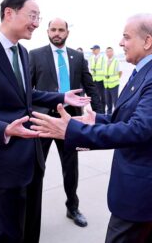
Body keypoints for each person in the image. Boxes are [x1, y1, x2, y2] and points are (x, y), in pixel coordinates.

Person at [31, 13, 152, 243]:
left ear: (147, 41)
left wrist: (71, 131)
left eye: (126, 37)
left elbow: (137, 130)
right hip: (146, 185)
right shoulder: (144, 72)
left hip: (143, 190)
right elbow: (125, 117)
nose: (121, 43)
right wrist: (95, 120)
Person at [0, 0, 90, 243]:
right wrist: (3, 129)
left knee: (30, 229)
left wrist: (61, 97)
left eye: (39, 17)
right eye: (33, 15)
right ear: (9, 13)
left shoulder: (21, 52)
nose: (37, 23)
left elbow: (26, 94)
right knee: (8, 234)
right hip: (1, 161)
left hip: (31, 159)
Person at [29, 18, 101, 227]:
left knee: (71, 167)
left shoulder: (77, 57)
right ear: (47, 31)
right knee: (35, 168)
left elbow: (90, 85)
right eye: (53, 29)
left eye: (61, 29)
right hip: (42, 119)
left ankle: (72, 207)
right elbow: (27, 90)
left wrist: (98, 113)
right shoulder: (35, 55)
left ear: (68, 32)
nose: (57, 33)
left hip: (70, 120)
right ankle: (31, 209)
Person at [104, 47, 122, 114]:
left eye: (110, 51)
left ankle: (116, 117)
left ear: (112, 52)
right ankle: (108, 118)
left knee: (115, 103)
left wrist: (116, 79)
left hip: (114, 84)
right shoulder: (105, 61)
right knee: (108, 103)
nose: (108, 53)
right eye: (107, 52)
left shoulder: (116, 61)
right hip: (106, 85)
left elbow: (120, 72)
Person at [89, 45, 106, 113]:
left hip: (101, 80)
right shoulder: (92, 58)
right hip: (94, 79)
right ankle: (97, 111)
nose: (92, 51)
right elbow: (91, 68)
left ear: (98, 50)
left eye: (94, 49)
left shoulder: (103, 58)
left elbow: (104, 69)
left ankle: (103, 111)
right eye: (92, 49)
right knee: (96, 96)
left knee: (102, 96)